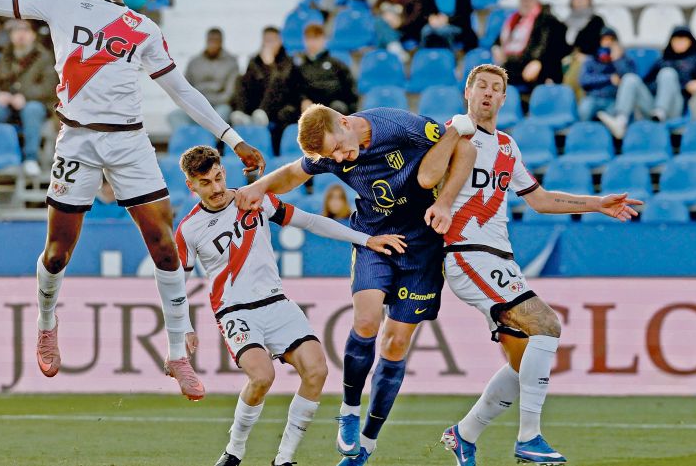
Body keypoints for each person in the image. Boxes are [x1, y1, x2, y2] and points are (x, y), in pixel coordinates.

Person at [0, 0, 267, 399]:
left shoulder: (144, 28)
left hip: (129, 142)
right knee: (57, 252)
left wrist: (233, 137)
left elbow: (181, 91)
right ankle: (47, 323)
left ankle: (176, 353)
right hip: (77, 141)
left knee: (166, 247)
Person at [235, 105, 477, 466]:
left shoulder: (400, 126)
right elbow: (294, 174)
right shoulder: (331, 150)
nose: (339, 158)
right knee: (365, 321)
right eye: (331, 156)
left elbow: (465, 148)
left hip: (423, 244)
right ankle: (348, 412)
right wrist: (260, 185)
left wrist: (444, 202)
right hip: (372, 237)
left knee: (395, 344)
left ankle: (366, 444)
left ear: (345, 123)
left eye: (340, 148)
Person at [437, 64, 642, 466]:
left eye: (497, 88)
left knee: (522, 362)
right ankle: (529, 437)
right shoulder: (453, 134)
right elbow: (424, 176)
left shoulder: (509, 147)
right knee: (547, 324)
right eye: (481, 86)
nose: (488, 94)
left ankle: (464, 434)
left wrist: (597, 203)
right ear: (467, 91)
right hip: (466, 250)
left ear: (504, 98)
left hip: (500, 256)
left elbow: (541, 199)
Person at [176, 146, 407, 466]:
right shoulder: (188, 229)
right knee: (262, 377)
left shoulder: (253, 200)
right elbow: (176, 284)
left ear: (223, 171)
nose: (215, 188)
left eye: (218, 177)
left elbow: (311, 222)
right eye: (205, 183)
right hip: (235, 311)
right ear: (191, 186)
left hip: (276, 302)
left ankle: (283, 458)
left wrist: (364, 240)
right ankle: (234, 451)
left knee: (317, 371)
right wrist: (182, 329)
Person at [598, 26, 696, 139]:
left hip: (675, 106)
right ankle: (621, 121)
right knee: (630, 78)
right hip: (653, 106)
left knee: (667, 73)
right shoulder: (663, 60)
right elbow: (646, 82)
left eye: (683, 39)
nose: (679, 43)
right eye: (676, 40)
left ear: (690, 42)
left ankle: (661, 112)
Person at [0, 19, 58, 175]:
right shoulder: (6, 56)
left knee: (32, 110)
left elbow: (49, 87)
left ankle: (30, 158)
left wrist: (25, 96)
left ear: (33, 35)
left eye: (25, 31)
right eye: (17, 31)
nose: (21, 35)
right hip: (8, 103)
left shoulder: (44, 57)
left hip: (36, 104)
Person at [283, 23, 358, 154]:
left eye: (316, 38)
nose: (312, 43)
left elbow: (349, 93)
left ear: (323, 40)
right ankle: (287, 152)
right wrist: (303, 100)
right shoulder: (298, 67)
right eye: (309, 39)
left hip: (330, 108)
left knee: (338, 108)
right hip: (306, 109)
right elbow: (292, 89)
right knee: (285, 113)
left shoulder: (337, 65)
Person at [493, 0, 567, 97]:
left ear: (536, 1)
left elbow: (555, 48)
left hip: (540, 67)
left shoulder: (547, 20)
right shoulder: (514, 20)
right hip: (514, 64)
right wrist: (496, 47)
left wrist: (539, 62)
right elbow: (499, 40)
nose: (526, 3)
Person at [167, 28, 238, 131]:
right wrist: (196, 104)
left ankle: (207, 143)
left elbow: (229, 94)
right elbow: (184, 88)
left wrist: (207, 102)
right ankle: (190, 142)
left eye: (216, 40)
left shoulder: (231, 63)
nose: (213, 43)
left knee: (221, 115)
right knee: (174, 116)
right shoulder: (194, 62)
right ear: (207, 41)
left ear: (221, 42)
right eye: (211, 40)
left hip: (219, 106)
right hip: (197, 106)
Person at [231, 26, 295, 128]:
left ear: (280, 41)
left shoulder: (287, 60)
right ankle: (241, 114)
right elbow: (253, 80)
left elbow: (283, 82)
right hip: (258, 99)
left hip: (279, 103)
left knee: (277, 80)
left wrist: (270, 65)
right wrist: (264, 66)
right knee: (240, 78)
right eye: (266, 41)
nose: (269, 44)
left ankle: (262, 113)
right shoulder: (255, 60)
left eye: (272, 40)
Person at [577, 28, 636, 123]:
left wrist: (617, 59)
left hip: (613, 99)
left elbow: (631, 79)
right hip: (593, 98)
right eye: (605, 40)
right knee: (583, 112)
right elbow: (583, 80)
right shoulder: (591, 60)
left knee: (619, 121)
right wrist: (609, 78)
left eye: (611, 40)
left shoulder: (624, 60)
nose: (608, 43)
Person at [561, 0, 605, 100]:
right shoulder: (564, 23)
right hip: (566, 60)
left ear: (589, 0)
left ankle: (567, 103)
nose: (579, 0)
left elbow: (599, 44)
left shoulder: (596, 21)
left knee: (578, 70)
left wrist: (586, 56)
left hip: (589, 60)